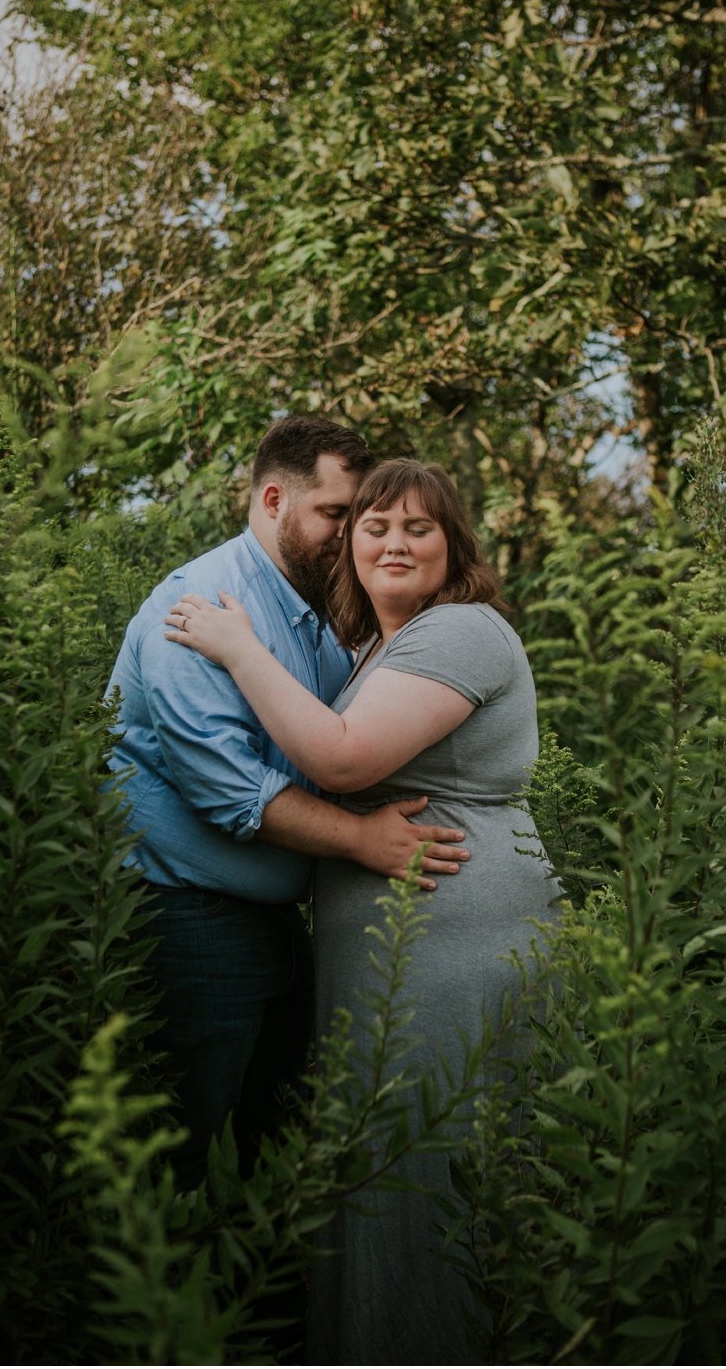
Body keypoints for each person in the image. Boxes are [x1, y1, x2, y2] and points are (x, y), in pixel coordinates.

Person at [165, 457, 561, 1365]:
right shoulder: (384, 644)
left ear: (454, 545)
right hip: (404, 951)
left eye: (419, 527)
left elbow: (342, 759)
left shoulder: (459, 629)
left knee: (431, 1160)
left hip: (452, 939)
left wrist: (237, 649)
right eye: (375, 525)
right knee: (386, 1158)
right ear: (350, 543)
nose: (394, 541)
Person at [104, 417, 472, 1174]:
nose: (349, 536)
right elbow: (228, 791)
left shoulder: (315, 614)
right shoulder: (198, 608)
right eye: (335, 514)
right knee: (185, 1161)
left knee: (274, 1160)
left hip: (278, 925)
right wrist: (361, 839)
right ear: (273, 498)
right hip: (189, 922)